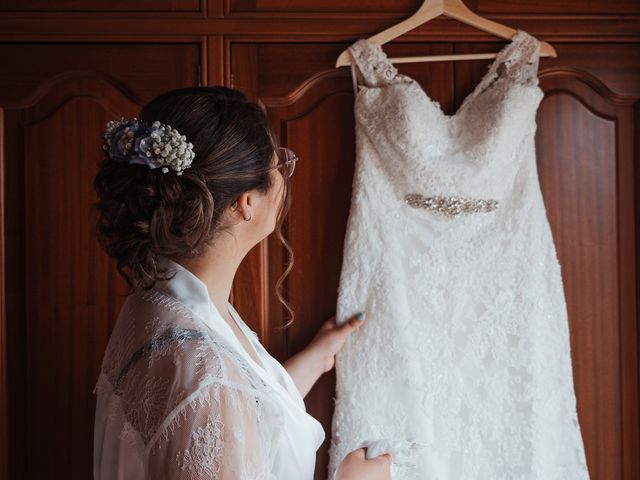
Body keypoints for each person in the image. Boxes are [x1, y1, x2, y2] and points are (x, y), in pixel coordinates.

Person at [92, 86, 392, 479]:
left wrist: (317, 358)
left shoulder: (162, 298)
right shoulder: (204, 378)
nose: (285, 177)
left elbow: (243, 414)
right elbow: (212, 401)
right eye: (278, 166)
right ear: (244, 203)